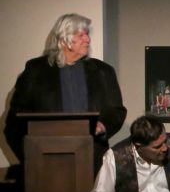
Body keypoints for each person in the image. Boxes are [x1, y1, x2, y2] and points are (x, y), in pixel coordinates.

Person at [5, 13, 126, 176]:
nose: (88, 39)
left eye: (87, 34)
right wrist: (31, 159)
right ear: (63, 39)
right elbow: (14, 123)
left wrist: (103, 125)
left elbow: (116, 111)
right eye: (80, 34)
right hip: (45, 167)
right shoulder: (35, 71)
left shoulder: (103, 71)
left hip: (92, 163)